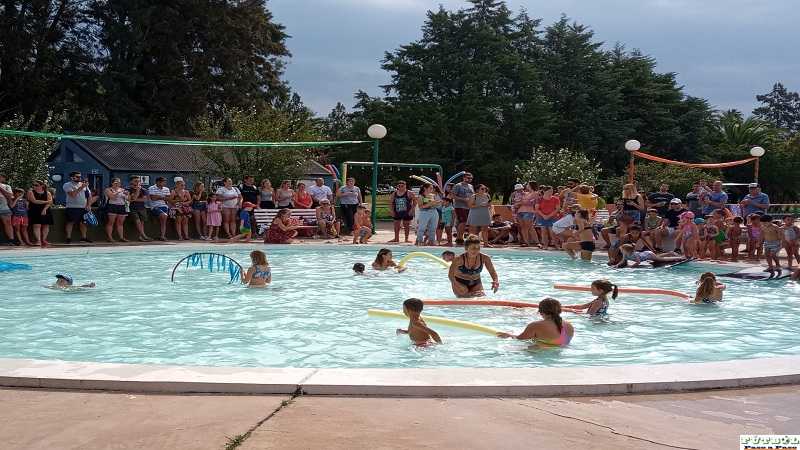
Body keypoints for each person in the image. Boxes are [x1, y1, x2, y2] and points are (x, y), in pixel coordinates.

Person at [496, 298, 573, 347]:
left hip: (539, 353)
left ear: (541, 312)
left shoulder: (535, 325)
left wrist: (509, 335)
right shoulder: (569, 326)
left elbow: (520, 339)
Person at [62, 171, 92, 244]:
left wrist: (88, 205)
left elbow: (89, 196)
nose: (79, 178)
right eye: (77, 176)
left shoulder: (84, 185)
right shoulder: (67, 185)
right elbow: (72, 194)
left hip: (83, 207)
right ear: (72, 177)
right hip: (72, 207)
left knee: (83, 223)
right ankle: (68, 238)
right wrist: (81, 187)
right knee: (70, 222)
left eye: (80, 176)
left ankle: (84, 237)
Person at [27, 180, 54, 247]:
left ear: (42, 186)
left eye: (36, 185)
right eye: (33, 185)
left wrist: (44, 209)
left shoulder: (47, 193)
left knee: (46, 225)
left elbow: (50, 203)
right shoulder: (31, 192)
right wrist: (47, 201)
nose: (34, 186)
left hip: (45, 210)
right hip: (34, 210)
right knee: (37, 225)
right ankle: (38, 240)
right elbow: (34, 201)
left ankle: (44, 239)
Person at [514, 181, 540, 248]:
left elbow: (530, 202)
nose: (526, 186)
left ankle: (537, 242)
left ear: (531, 185)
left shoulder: (535, 193)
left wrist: (520, 203)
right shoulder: (525, 193)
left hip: (528, 211)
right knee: (523, 227)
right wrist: (519, 203)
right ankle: (526, 242)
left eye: (528, 184)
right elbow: (518, 200)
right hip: (520, 211)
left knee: (529, 227)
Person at [103, 178, 129, 243]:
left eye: (119, 183)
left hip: (122, 206)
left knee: (120, 223)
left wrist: (127, 194)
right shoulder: (108, 189)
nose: (117, 184)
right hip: (112, 206)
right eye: (116, 183)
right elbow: (112, 197)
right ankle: (109, 237)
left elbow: (128, 199)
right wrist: (118, 192)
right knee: (111, 222)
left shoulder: (123, 190)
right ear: (112, 183)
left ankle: (121, 237)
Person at [451, 172, 475, 244]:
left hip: (469, 207)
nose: (469, 179)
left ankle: (465, 238)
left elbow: (473, 196)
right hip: (460, 206)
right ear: (464, 178)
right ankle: (459, 238)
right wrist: (464, 199)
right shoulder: (458, 185)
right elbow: (453, 196)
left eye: (471, 178)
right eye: (468, 178)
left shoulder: (471, 186)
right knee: (463, 221)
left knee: (468, 223)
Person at [616, 243, 685, 267]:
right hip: (647, 254)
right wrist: (617, 265)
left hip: (649, 255)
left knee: (661, 259)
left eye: (622, 250)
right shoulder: (625, 254)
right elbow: (622, 261)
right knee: (657, 257)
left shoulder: (634, 254)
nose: (621, 251)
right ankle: (670, 253)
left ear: (626, 250)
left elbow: (638, 262)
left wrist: (631, 267)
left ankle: (680, 258)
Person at [127, 176, 151, 242]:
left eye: (138, 181)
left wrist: (134, 199)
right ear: (131, 182)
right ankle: (144, 235)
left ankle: (141, 237)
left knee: (142, 222)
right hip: (132, 208)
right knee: (137, 221)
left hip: (142, 208)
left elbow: (145, 199)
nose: (137, 182)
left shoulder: (143, 190)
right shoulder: (128, 189)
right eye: (135, 181)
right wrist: (137, 191)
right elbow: (130, 199)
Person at [148, 177, 172, 241]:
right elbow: (153, 198)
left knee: (163, 219)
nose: (165, 183)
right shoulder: (151, 188)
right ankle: (161, 235)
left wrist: (158, 197)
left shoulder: (166, 189)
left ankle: (162, 236)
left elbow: (168, 199)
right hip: (155, 206)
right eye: (163, 182)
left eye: (165, 182)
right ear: (158, 182)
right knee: (164, 216)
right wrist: (163, 197)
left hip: (164, 206)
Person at [0, 174, 14, 245]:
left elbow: (10, 195)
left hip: (4, 207)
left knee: (8, 223)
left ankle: (11, 240)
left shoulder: (7, 186)